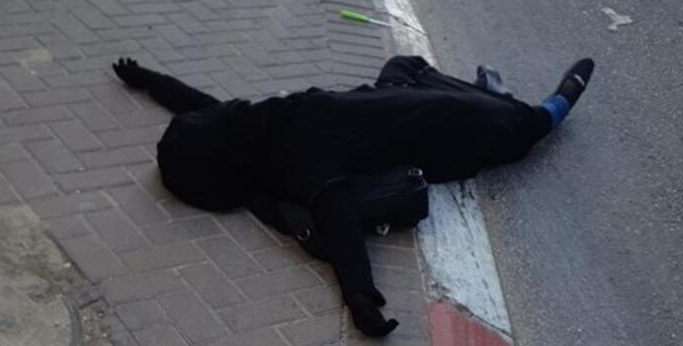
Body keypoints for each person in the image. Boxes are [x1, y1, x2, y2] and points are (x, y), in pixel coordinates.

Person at [111, 55, 595, 337]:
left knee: (403, 66)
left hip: (388, 101)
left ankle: (487, 95)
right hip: (436, 129)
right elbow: (337, 214)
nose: (221, 111)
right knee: (520, 128)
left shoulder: (249, 132)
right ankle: (548, 104)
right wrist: (361, 296)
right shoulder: (292, 157)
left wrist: (150, 80)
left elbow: (200, 105)